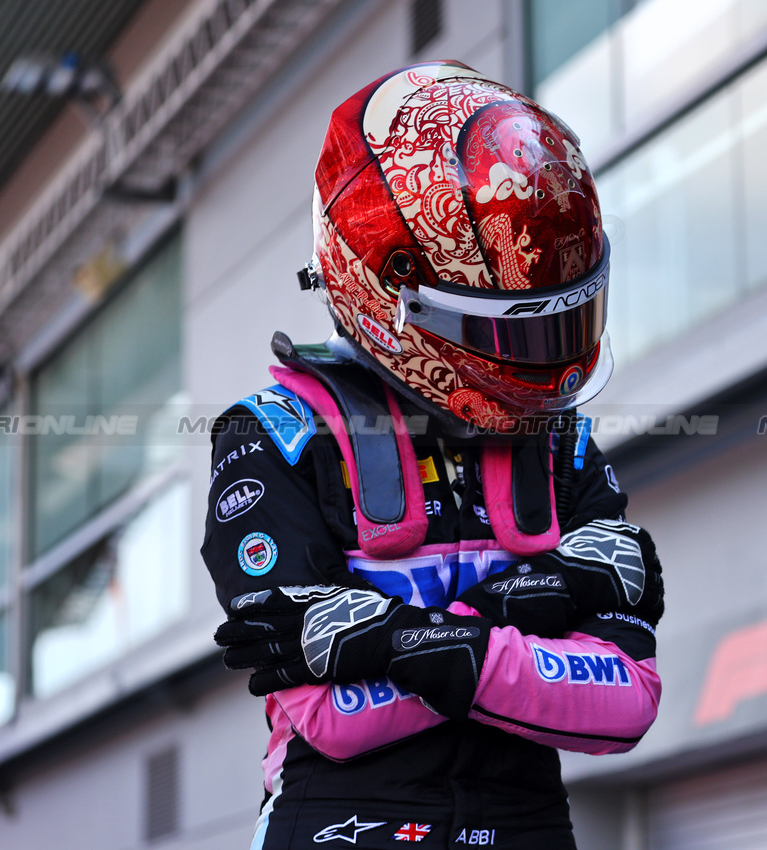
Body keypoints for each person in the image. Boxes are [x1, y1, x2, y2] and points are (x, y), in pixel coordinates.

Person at [203, 61, 664, 850]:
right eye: (507, 331)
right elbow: (332, 719)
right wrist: (528, 599)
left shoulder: (566, 440)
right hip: (342, 824)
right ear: (390, 292)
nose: (541, 367)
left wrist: (391, 639)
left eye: (556, 326)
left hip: (527, 826)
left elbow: (624, 702)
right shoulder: (270, 434)